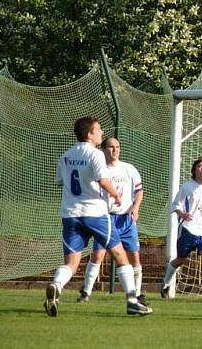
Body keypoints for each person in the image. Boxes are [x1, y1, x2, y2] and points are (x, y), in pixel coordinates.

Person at [43, 116, 152, 317]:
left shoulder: (66, 155)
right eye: (98, 129)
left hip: (70, 215)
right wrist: (116, 194)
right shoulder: (95, 154)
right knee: (120, 255)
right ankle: (132, 301)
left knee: (72, 263)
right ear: (89, 134)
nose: (101, 132)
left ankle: (57, 285)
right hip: (95, 213)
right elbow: (102, 180)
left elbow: (59, 181)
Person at [78, 137, 145, 304]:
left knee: (134, 256)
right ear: (103, 150)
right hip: (105, 218)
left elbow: (139, 191)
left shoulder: (129, 169)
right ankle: (86, 292)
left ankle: (136, 294)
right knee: (98, 255)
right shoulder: (98, 170)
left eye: (117, 147)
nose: (115, 150)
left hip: (126, 219)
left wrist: (135, 208)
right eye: (111, 147)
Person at [160, 156, 202, 300]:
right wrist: (183, 214)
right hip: (189, 228)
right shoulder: (187, 186)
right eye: (200, 166)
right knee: (180, 260)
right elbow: (175, 205)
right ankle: (165, 283)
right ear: (194, 169)